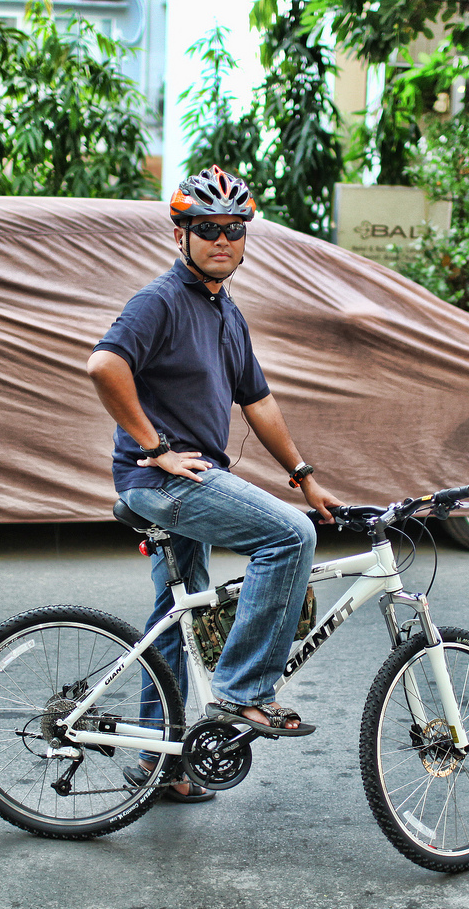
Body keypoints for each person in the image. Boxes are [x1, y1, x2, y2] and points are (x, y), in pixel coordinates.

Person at [87, 165, 341, 801]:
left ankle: (158, 761)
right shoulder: (162, 301)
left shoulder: (226, 313)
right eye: (207, 229)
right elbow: (104, 364)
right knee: (288, 537)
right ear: (182, 235)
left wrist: (304, 477)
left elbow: (258, 401)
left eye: (233, 229)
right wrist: (157, 449)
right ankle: (244, 693)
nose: (221, 239)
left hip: (190, 481)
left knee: (179, 615)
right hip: (167, 482)